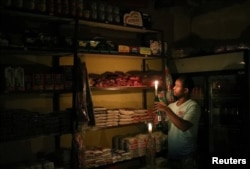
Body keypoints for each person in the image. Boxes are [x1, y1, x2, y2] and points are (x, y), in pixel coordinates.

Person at [153, 76, 201, 169]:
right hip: (172, 155)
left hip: (187, 156)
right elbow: (167, 128)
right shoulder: (171, 106)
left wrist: (166, 109)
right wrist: (160, 122)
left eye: (177, 86)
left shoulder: (193, 106)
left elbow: (184, 126)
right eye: (174, 85)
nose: (173, 88)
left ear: (186, 90)